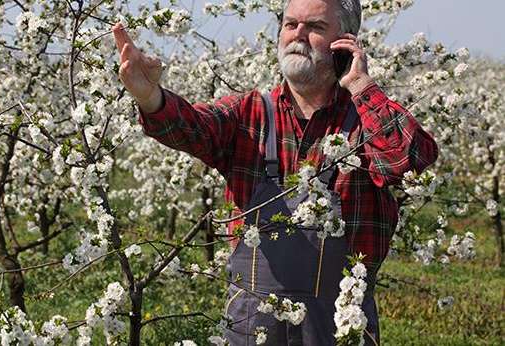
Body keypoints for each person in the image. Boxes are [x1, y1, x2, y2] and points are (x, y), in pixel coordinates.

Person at [112, 0, 438, 344]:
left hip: (342, 325)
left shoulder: (365, 122)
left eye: (314, 27)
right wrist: (150, 97)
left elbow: (408, 162)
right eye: (290, 24)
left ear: (345, 41)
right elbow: (193, 126)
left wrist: (359, 85)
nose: (297, 35)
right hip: (253, 326)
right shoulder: (249, 114)